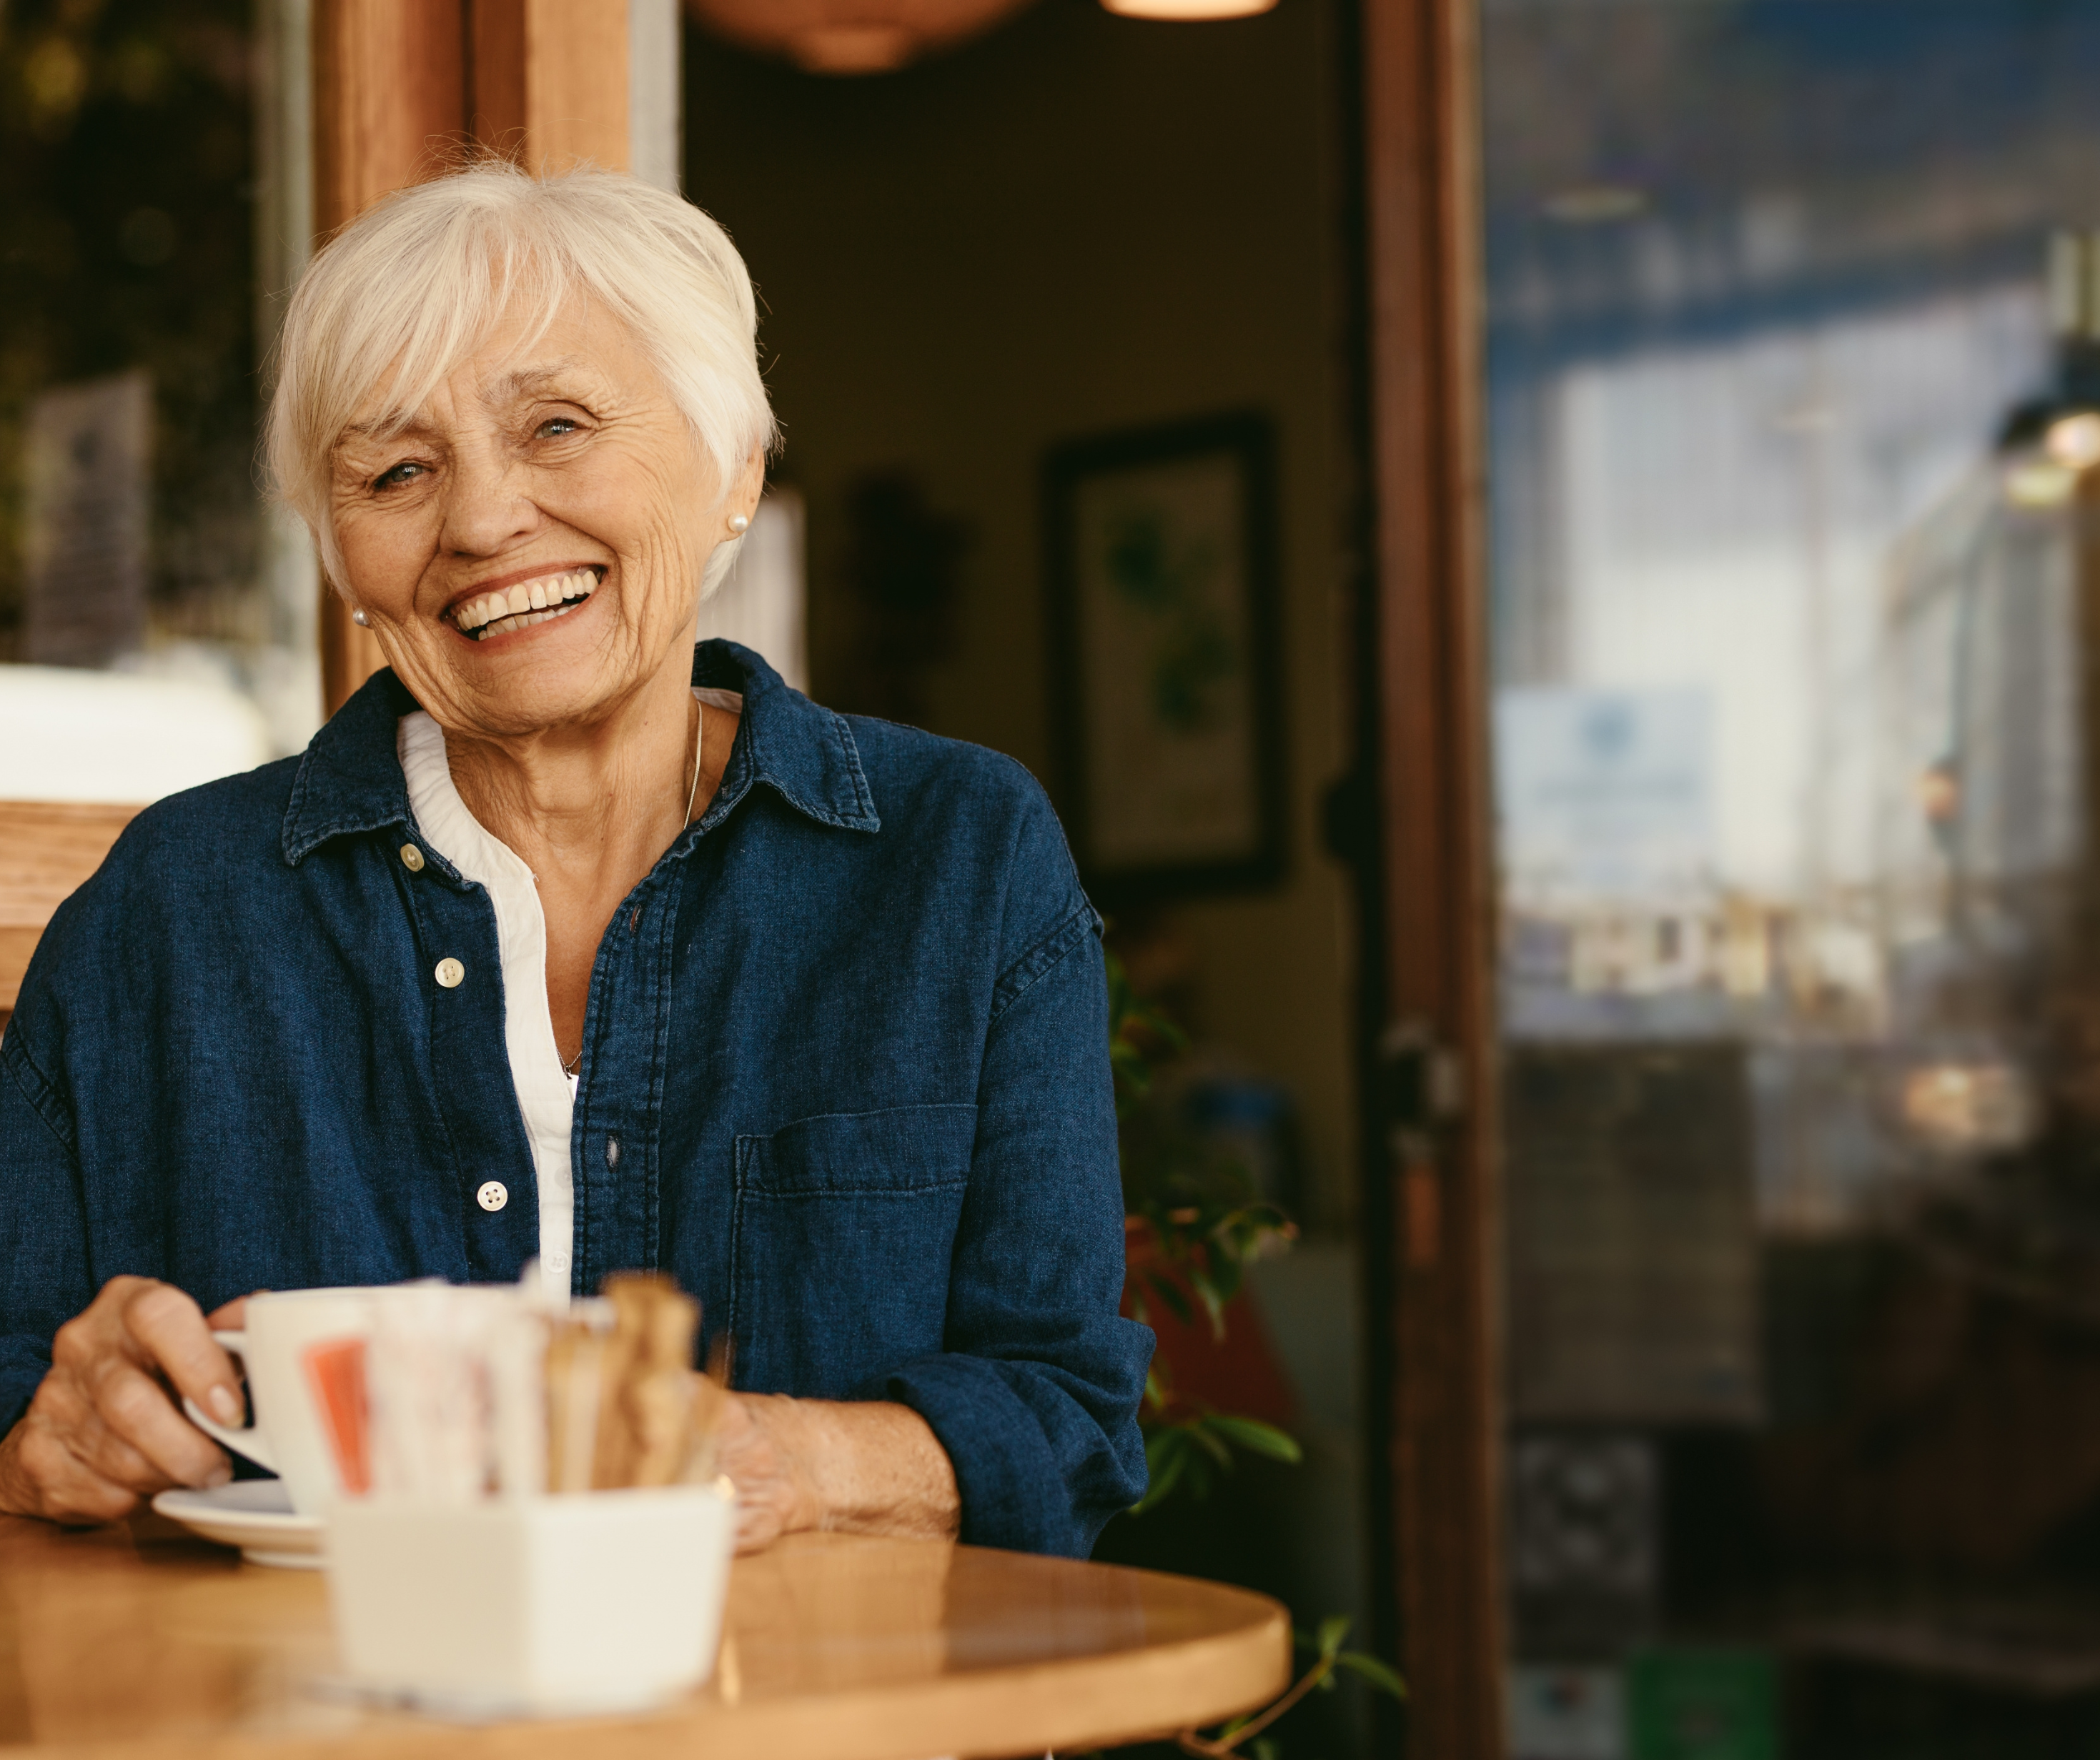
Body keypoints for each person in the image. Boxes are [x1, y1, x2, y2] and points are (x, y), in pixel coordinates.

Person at [0, 161, 1149, 1553]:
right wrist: (50, 1431)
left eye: (555, 426)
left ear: (733, 468)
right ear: (339, 554)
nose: (481, 521)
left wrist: (779, 1457)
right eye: (397, 469)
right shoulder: (170, 911)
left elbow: (1065, 1418)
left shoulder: (954, 859)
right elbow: (19, 1400)